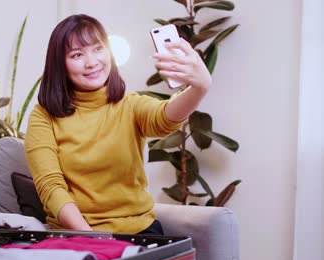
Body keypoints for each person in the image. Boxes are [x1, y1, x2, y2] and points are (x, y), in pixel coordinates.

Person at [24, 14, 211, 235]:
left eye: (98, 49)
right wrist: (94, 238)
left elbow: (164, 118)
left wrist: (200, 88)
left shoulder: (129, 104)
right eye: (77, 54)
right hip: (77, 235)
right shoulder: (43, 116)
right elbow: (51, 187)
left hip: (138, 232)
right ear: (60, 64)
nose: (92, 62)